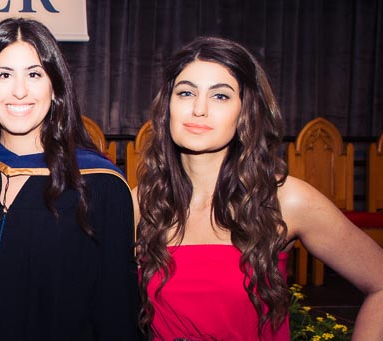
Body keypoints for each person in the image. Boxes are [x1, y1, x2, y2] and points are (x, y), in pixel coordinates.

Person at [135, 36, 383, 340]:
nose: (199, 109)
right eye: (186, 93)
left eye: (220, 96)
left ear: (245, 112)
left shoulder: (285, 200)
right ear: (167, 106)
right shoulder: (141, 203)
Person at [0, 18, 139, 340]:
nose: (19, 91)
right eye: (4, 75)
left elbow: (116, 310)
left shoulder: (99, 185)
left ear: (54, 87)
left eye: (34, 74)